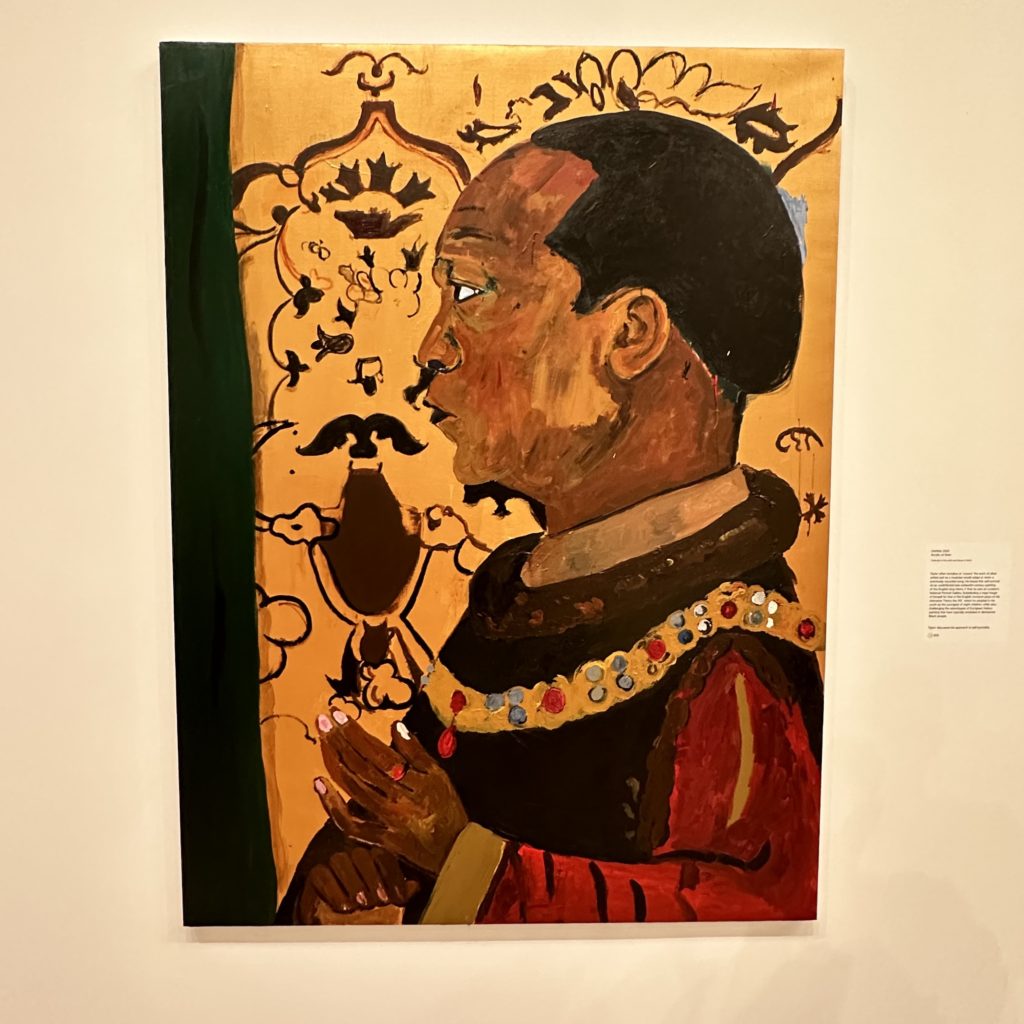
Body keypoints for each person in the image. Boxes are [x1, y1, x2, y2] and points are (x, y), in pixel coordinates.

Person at [278, 110, 825, 925]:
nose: (431, 348)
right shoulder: (515, 596)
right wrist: (363, 865)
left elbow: (755, 917)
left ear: (631, 332)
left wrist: (460, 859)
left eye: (474, 291)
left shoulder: (735, 653)